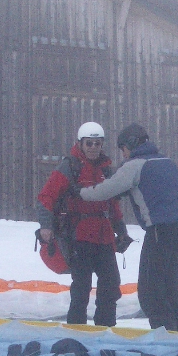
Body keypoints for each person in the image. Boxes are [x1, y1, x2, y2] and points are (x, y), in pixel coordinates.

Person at [78, 123, 178, 332]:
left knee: (150, 290)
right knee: (169, 285)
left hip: (160, 230)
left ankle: (165, 334)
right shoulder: (166, 161)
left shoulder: (134, 165)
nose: (123, 155)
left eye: (123, 149)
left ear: (130, 145)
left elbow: (106, 190)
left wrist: (81, 193)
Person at [36, 121, 130, 328]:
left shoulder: (107, 170)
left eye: (97, 144)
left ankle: (104, 329)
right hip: (78, 237)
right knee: (81, 287)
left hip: (104, 237)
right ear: (81, 144)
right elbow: (46, 197)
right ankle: (76, 331)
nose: (93, 148)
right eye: (89, 144)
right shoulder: (70, 167)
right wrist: (46, 226)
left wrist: (121, 231)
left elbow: (113, 203)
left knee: (111, 285)